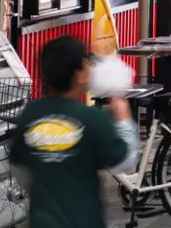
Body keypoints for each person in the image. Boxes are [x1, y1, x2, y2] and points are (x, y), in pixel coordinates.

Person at [10, 35, 136, 228]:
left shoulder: (30, 115)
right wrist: (124, 120)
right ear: (79, 75)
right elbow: (124, 162)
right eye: (86, 62)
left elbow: (20, 169)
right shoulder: (92, 119)